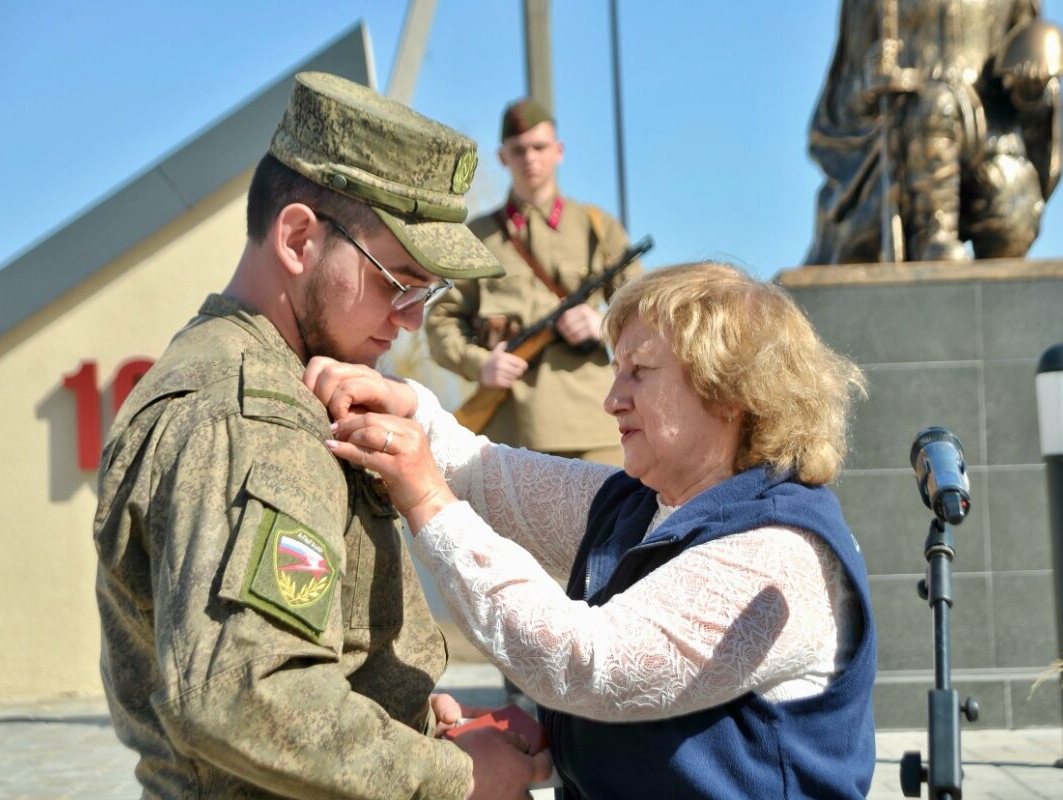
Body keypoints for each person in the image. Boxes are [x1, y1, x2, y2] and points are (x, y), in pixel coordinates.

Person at [92, 72, 550, 799]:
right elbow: (248, 695)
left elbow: (300, 664)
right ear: (300, 238)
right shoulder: (250, 418)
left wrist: (399, 720)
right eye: (397, 280)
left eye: (426, 294)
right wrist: (453, 779)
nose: (411, 320)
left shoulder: (258, 378)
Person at [316, 262, 878, 798]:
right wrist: (410, 406)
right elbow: (490, 478)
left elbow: (589, 663)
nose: (613, 400)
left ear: (727, 390)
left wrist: (426, 499)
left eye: (641, 371)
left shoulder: (780, 552)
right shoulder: (647, 502)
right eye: (615, 371)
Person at [424, 97, 641, 466]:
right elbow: (440, 319)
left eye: (539, 147)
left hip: (592, 423)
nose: (530, 159)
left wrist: (604, 324)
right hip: (511, 429)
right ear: (502, 157)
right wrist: (480, 364)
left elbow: (648, 311)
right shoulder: (478, 236)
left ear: (558, 151)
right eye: (519, 150)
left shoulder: (596, 228)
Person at [804, 0, 1063, 264]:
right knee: (938, 103)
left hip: (990, 134)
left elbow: (1030, 83)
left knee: (1013, 220)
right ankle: (931, 233)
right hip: (909, 141)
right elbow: (841, 102)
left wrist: (1030, 91)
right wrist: (867, 85)